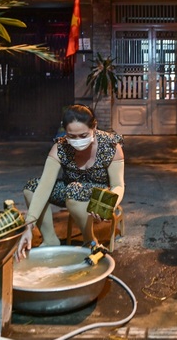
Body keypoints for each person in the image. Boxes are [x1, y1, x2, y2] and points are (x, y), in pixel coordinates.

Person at [15, 104, 125, 260]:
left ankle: (89, 240)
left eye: (83, 135)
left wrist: (109, 202)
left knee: (74, 190)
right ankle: (50, 240)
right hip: (69, 190)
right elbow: (44, 187)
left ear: (94, 126)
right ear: (65, 132)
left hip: (98, 195)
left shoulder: (110, 145)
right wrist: (28, 226)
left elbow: (118, 185)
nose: (77, 141)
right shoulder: (60, 147)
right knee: (32, 187)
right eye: (71, 136)